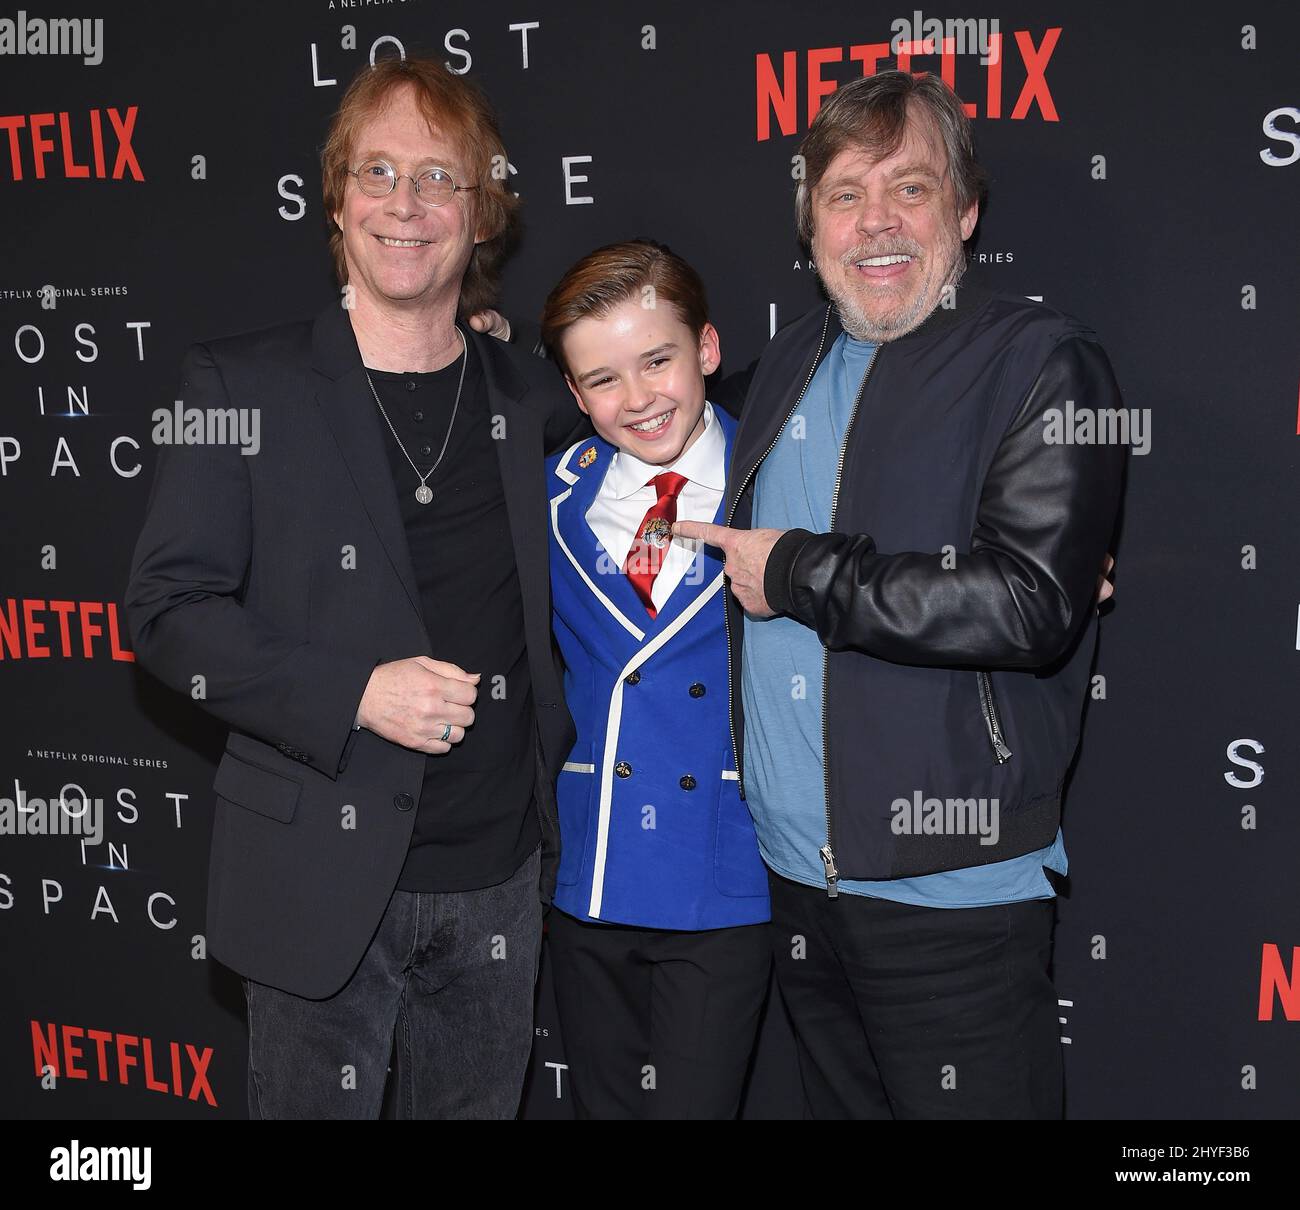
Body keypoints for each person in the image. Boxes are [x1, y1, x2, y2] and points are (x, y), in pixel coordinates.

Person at [124, 56, 588, 1119]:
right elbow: (165, 613)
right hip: (316, 885)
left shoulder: (527, 396)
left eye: (438, 178)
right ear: (336, 201)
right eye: (376, 172)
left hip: (501, 878)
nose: (405, 204)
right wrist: (353, 693)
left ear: (482, 215)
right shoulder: (241, 386)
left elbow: (672, 414)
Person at [675, 69, 1127, 1119]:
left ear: (964, 211)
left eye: (909, 189)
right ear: (810, 226)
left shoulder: (1039, 363)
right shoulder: (786, 362)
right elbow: (643, 414)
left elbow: (1028, 604)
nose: (875, 222)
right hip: (792, 885)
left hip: (951, 897)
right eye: (843, 195)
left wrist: (795, 571)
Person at [538, 239, 770, 1119]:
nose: (636, 399)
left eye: (658, 361)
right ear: (572, 393)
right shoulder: (550, 494)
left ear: (706, 350)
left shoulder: (779, 477)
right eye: (601, 380)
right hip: (591, 872)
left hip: (722, 868)